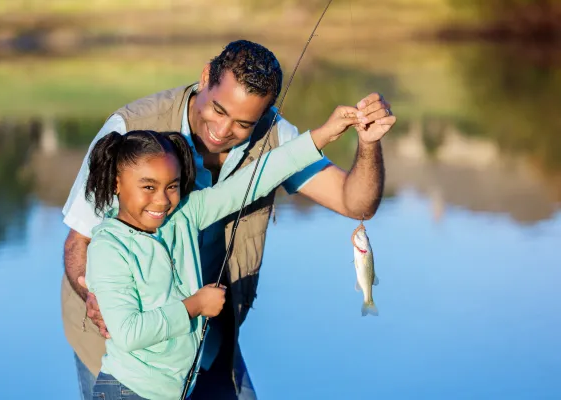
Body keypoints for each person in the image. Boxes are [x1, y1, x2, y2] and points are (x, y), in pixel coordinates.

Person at [61, 39, 396, 400]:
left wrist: (344, 137)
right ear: (205, 77)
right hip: (127, 372)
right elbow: (79, 242)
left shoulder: (189, 206)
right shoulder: (129, 130)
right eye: (218, 110)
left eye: (243, 123)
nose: (222, 130)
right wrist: (97, 298)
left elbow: (292, 181)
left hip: (201, 348)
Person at [83, 124, 353, 399]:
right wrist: (195, 305)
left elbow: (253, 181)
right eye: (148, 186)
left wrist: (322, 136)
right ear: (117, 182)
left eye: (172, 186)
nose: (162, 200)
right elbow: (129, 333)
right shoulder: (109, 247)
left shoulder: (185, 214)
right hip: (127, 391)